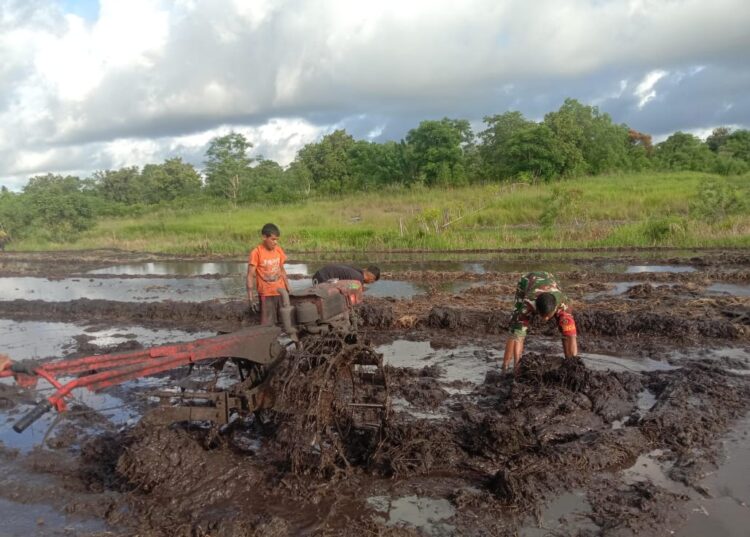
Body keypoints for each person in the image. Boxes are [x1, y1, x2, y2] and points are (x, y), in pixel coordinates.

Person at [502, 271, 578, 373]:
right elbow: (519, 337)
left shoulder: (564, 304)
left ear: (555, 309)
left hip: (550, 278)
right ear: (536, 308)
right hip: (527, 280)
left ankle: (569, 363)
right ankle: (505, 366)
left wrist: (573, 365)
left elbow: (571, 336)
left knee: (565, 328)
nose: (545, 319)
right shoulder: (528, 304)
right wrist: (517, 367)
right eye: (543, 316)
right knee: (515, 328)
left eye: (548, 316)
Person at [247, 223, 289, 326]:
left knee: (286, 323)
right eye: (273, 239)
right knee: (268, 325)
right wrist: (250, 299)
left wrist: (288, 290)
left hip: (281, 292)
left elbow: (282, 270)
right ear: (264, 237)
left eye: (277, 240)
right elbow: (250, 275)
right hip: (266, 294)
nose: (275, 242)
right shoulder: (256, 253)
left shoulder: (278, 250)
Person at [312, 264, 380, 286]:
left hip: (319, 275)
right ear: (371, 278)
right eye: (372, 282)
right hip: (323, 279)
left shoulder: (357, 271)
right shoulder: (359, 279)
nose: (370, 283)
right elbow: (353, 289)